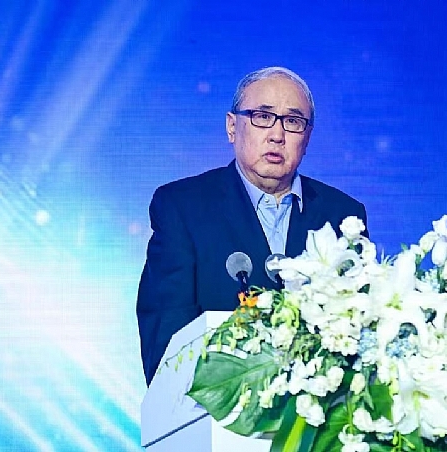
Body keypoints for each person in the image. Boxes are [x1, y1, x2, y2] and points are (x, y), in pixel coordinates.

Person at [137, 67, 368, 385]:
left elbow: (360, 333)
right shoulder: (183, 207)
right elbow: (167, 342)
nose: (277, 135)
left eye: (293, 122)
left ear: (307, 138)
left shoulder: (343, 215)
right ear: (232, 127)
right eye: (262, 116)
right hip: (218, 406)